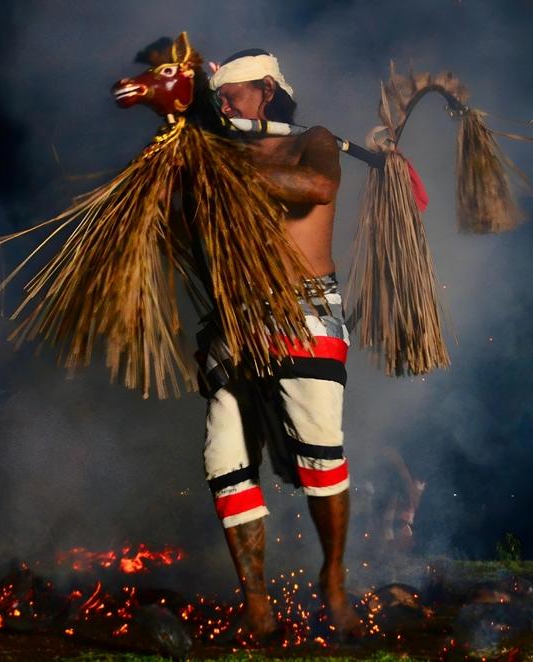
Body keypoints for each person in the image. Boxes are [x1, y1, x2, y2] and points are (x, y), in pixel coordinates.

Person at [199, 48, 363, 641]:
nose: (223, 103)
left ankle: (335, 579)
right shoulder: (215, 156)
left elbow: (317, 187)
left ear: (266, 90)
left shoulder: (310, 141)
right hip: (235, 316)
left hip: (306, 308)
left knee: (321, 454)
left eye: (234, 93)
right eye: (218, 96)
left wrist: (222, 171)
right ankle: (257, 605)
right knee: (225, 461)